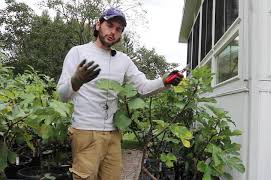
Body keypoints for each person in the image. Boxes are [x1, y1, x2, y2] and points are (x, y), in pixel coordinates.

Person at [57, 7, 183, 180]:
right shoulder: (78, 52)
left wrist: (164, 81)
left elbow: (143, 87)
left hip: (113, 134)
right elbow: (62, 95)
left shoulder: (123, 60)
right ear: (98, 24)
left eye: (118, 29)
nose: (113, 32)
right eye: (109, 25)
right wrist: (76, 81)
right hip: (86, 132)